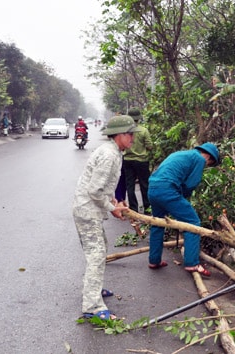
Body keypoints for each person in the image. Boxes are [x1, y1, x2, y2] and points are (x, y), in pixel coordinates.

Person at [72, 115, 141, 320]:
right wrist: (112, 208)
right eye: (129, 134)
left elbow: (105, 186)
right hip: (87, 210)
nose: (132, 139)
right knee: (96, 254)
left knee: (100, 247)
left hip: (89, 208)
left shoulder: (115, 152)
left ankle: (94, 289)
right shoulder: (110, 155)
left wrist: (117, 201)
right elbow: (94, 190)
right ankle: (92, 306)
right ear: (118, 135)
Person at [147, 142, 220, 276]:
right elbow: (191, 184)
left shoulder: (182, 153)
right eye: (209, 164)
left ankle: (154, 260)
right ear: (208, 158)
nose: (206, 166)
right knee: (192, 222)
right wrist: (183, 197)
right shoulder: (199, 159)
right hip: (167, 190)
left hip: (152, 188)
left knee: (157, 223)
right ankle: (192, 263)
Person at [123, 108, 153, 214]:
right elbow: (149, 146)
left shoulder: (125, 131)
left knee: (130, 185)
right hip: (142, 161)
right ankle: (147, 208)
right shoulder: (143, 130)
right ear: (138, 119)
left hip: (127, 160)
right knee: (144, 184)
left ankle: (133, 208)